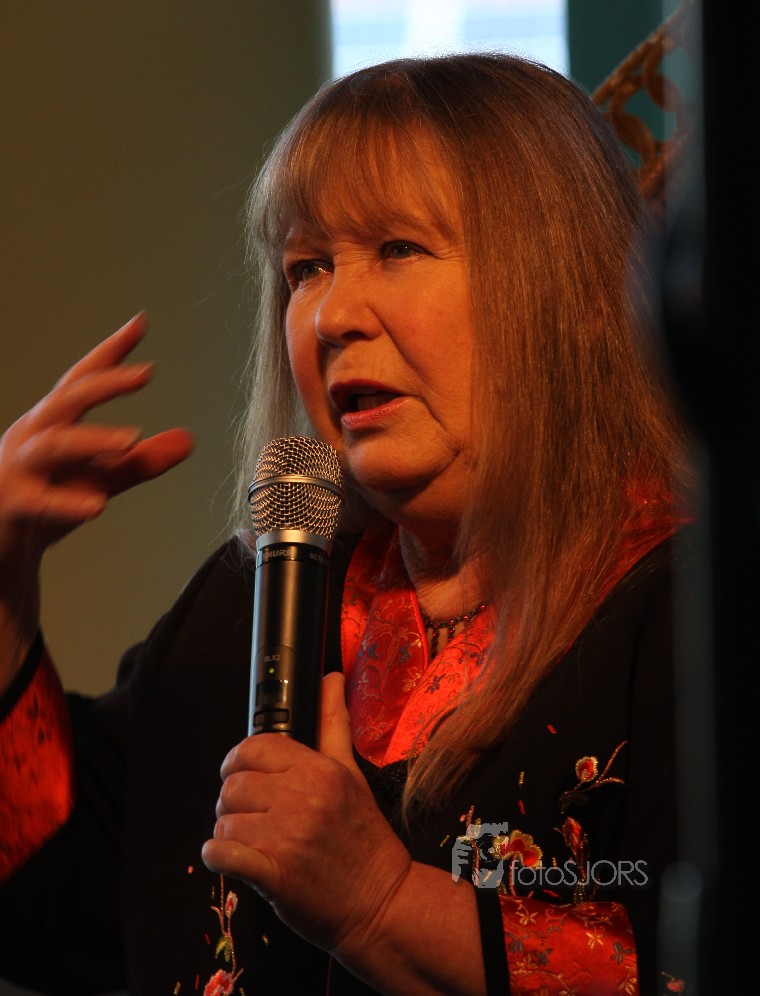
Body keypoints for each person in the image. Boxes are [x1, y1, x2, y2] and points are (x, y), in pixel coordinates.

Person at [0, 53, 695, 995]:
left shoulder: (693, 614)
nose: (330, 316)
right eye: (306, 268)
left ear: (565, 290)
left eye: (397, 250)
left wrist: (381, 904)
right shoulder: (256, 596)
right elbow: (66, 906)